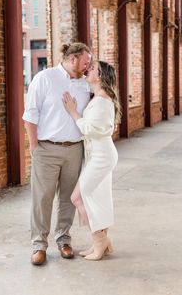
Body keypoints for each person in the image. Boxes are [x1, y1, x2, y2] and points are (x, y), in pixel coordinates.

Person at [22, 42, 91, 266]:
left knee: (68, 198)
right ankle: (39, 245)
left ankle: (63, 239)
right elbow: (30, 115)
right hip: (46, 148)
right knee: (42, 198)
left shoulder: (84, 84)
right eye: (85, 61)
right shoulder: (45, 78)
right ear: (73, 59)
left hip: (74, 148)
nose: (87, 66)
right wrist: (35, 147)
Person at [62, 60, 121, 261]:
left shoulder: (103, 101)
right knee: (97, 198)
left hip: (102, 156)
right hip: (97, 155)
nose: (88, 69)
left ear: (101, 76)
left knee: (77, 198)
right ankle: (103, 241)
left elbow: (89, 129)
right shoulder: (99, 98)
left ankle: (100, 241)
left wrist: (72, 111)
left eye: (93, 68)